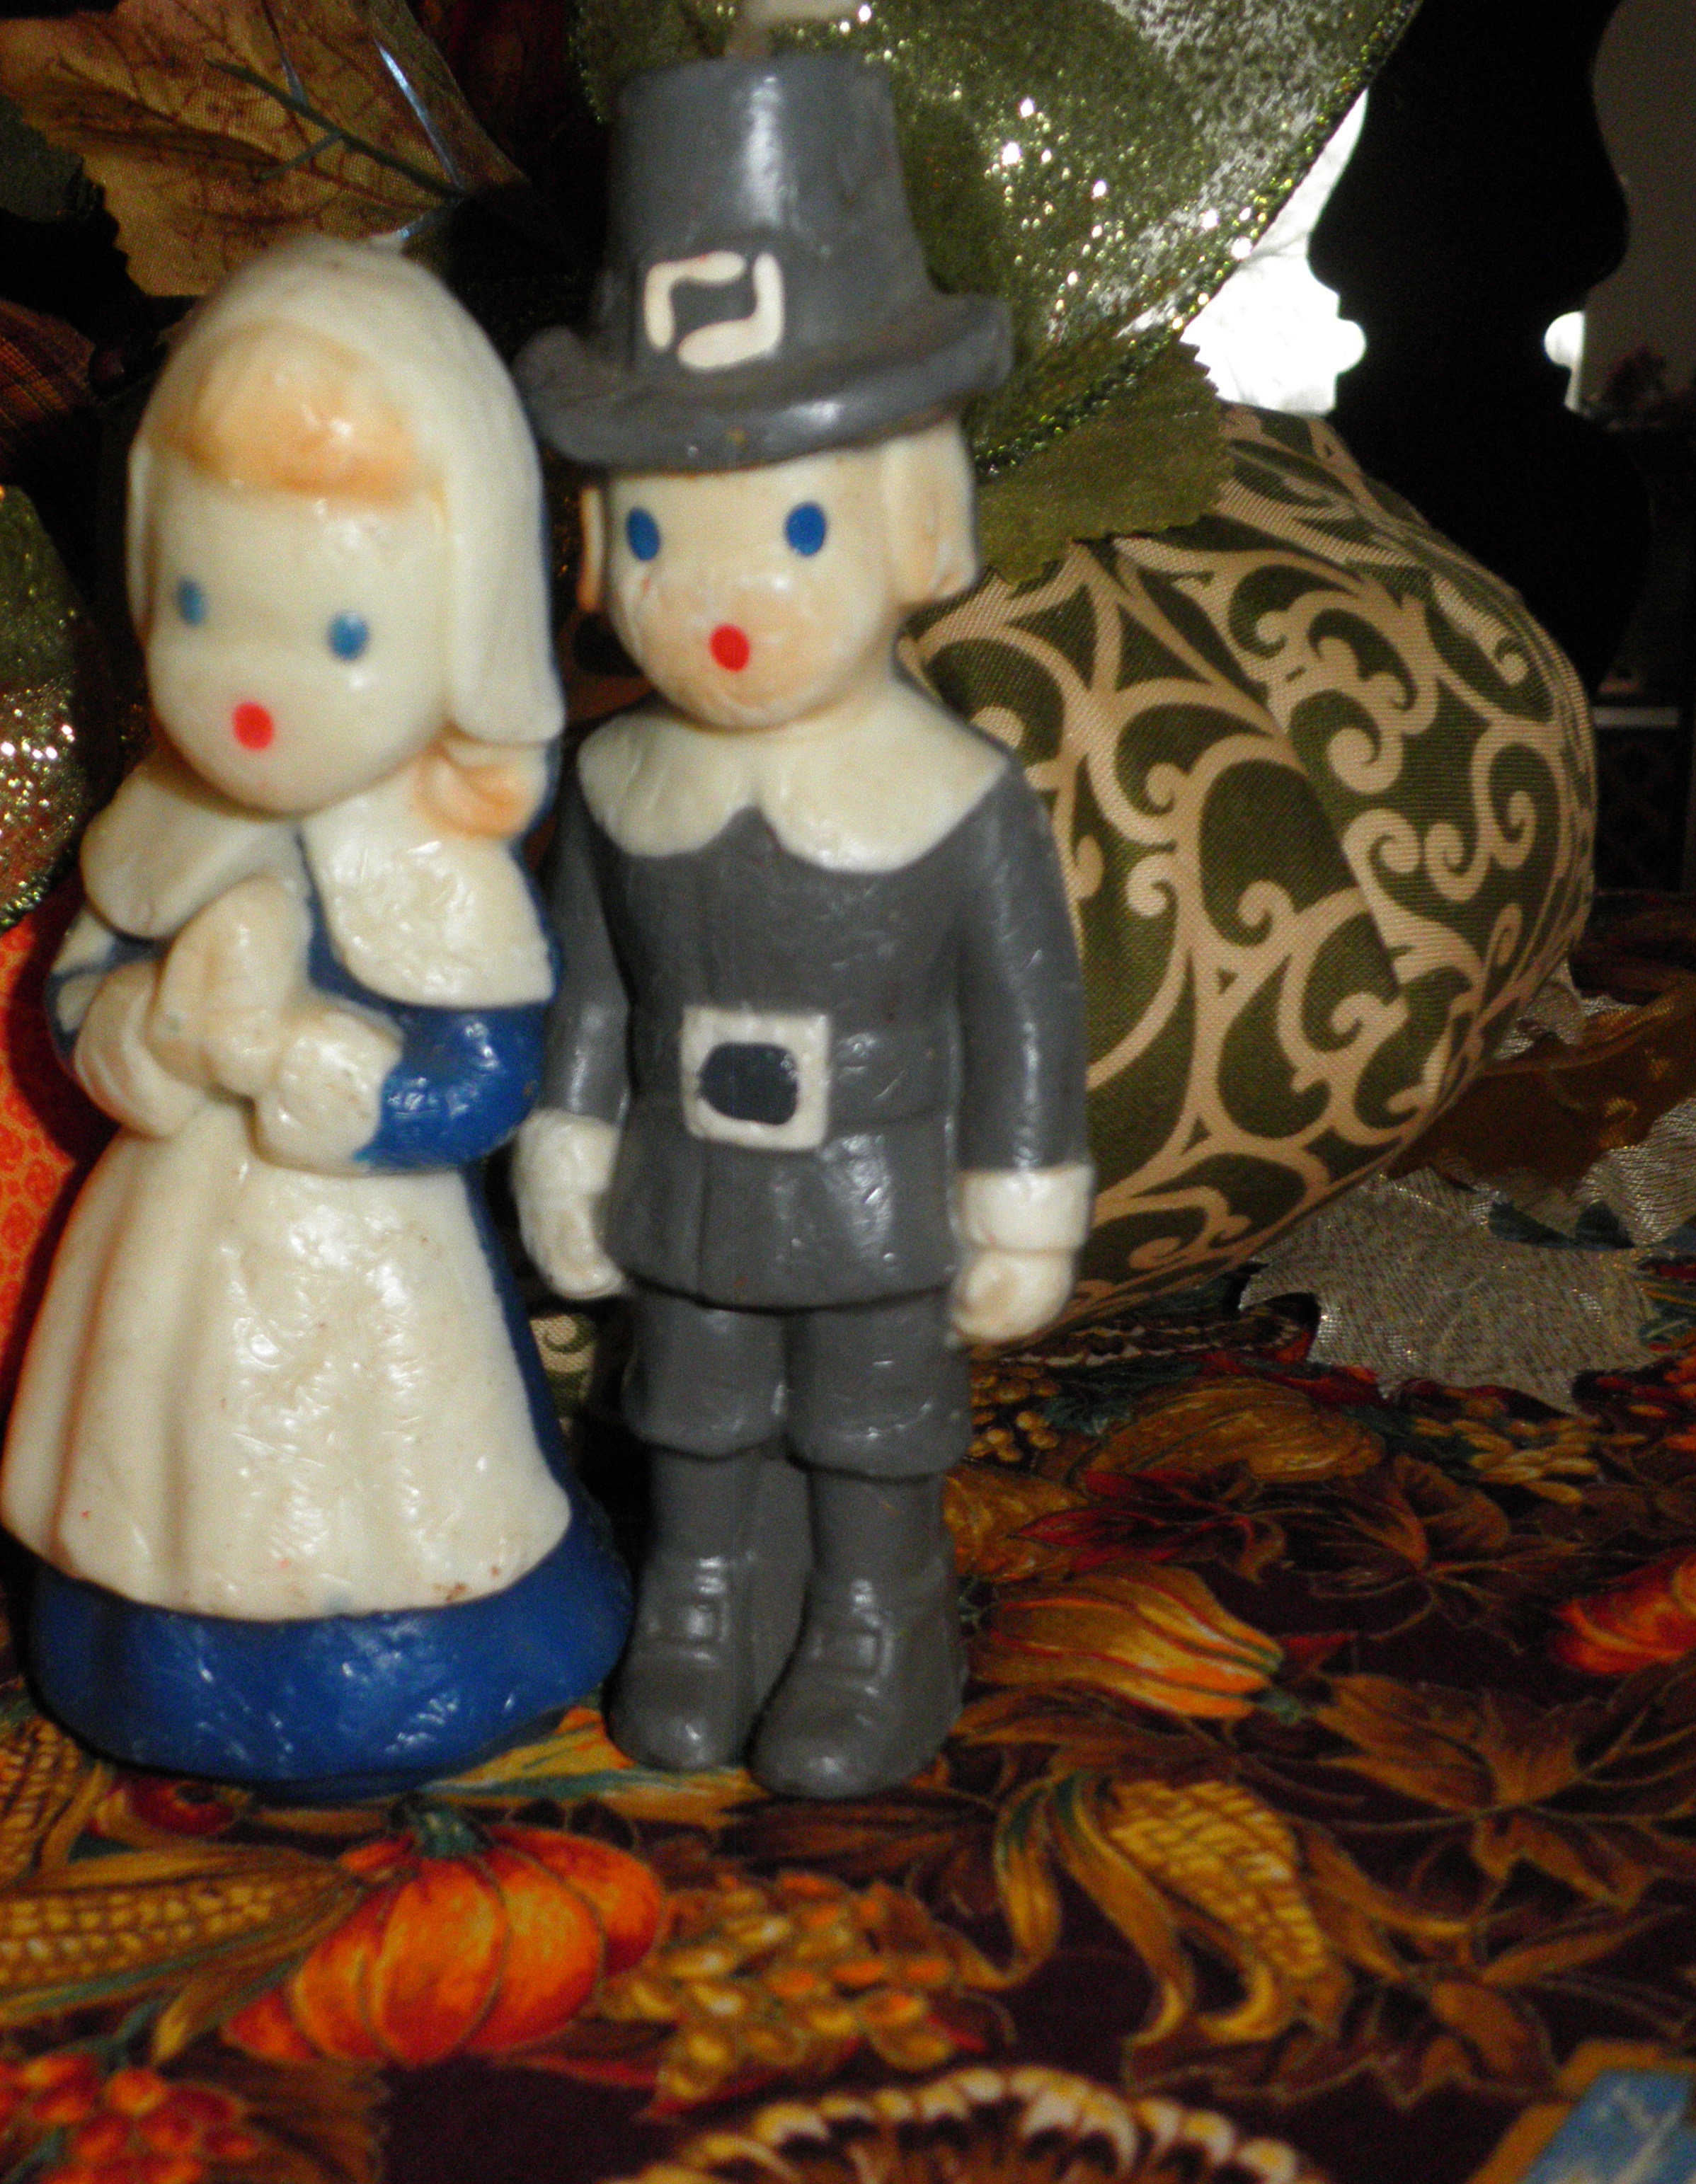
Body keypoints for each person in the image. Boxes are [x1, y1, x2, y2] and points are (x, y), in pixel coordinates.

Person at [514, 52, 1092, 1797]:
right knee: (684, 1405)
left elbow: (1025, 1012)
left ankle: (871, 1614)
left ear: (915, 517)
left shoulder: (956, 798)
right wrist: (566, 1139)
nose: (725, 601)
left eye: (798, 522)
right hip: (688, 1183)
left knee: (870, 1421)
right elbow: (589, 990)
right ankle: (698, 1599)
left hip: (872, 1191)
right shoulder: (618, 783)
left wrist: (1018, 1197)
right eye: (656, 526)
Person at [1, 235, 625, 1798]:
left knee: (403, 1474)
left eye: (340, 634)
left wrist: (330, 1072)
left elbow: (485, 1073)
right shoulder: (160, 826)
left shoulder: (443, 873)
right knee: (157, 1452)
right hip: (174, 1231)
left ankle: (426, 1652)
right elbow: (75, 990)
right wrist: (132, 1030)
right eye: (203, 604)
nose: (254, 692)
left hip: (375, 1267)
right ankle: (157, 1658)